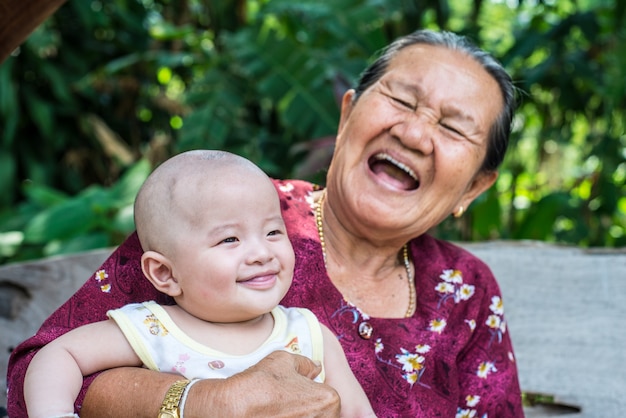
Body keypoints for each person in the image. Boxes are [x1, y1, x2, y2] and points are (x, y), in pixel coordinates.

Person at [8, 29, 524, 417]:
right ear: (347, 116)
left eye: (454, 127)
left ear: (475, 186)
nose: (413, 132)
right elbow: (35, 373)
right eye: (400, 99)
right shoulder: (221, 210)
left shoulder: (466, 292)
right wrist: (198, 402)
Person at [22, 150, 375, 418]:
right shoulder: (154, 328)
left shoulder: (309, 335)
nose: (261, 253)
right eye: (230, 240)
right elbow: (57, 355)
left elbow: (358, 413)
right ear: (165, 274)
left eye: (272, 232)